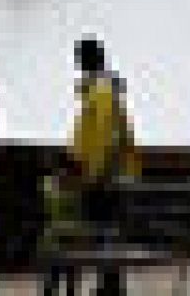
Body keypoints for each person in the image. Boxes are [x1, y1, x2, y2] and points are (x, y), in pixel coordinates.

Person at [68, 38, 141, 296]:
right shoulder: (103, 90)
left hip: (104, 177)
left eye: (79, 59)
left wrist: (95, 174)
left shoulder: (101, 92)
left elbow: (105, 137)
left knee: (104, 232)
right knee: (107, 233)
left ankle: (110, 284)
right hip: (110, 174)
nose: (77, 65)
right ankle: (109, 283)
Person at [38, 152, 90, 296]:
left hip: (63, 239)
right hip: (59, 239)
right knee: (56, 277)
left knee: (63, 278)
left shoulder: (50, 185)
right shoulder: (72, 187)